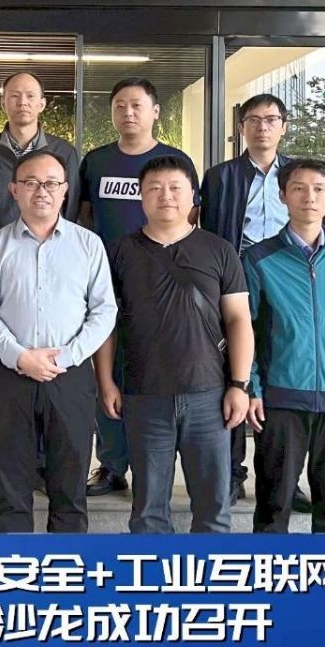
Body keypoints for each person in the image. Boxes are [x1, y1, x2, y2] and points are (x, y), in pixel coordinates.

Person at [100, 155, 253, 533]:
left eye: (175, 188)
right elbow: (105, 325)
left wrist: (239, 385)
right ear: (141, 197)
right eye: (154, 188)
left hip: (209, 395)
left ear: (192, 196)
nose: (165, 196)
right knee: (148, 511)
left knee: (213, 510)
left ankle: (209, 572)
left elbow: (238, 320)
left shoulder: (219, 250)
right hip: (144, 395)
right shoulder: (119, 252)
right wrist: (105, 382)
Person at [0, 149, 117, 533]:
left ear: (65, 190)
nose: (42, 191)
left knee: (69, 488)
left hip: (70, 377)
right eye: (31, 183)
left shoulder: (88, 245)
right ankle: (13, 565)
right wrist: (20, 356)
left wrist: (65, 357)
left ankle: (64, 567)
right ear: (14, 190)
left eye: (51, 183)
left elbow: (104, 312)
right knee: (11, 489)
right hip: (10, 376)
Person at [79, 76, 200, 497]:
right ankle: (112, 464)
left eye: (137, 105)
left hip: (165, 280)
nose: (128, 113)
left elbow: (191, 218)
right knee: (108, 368)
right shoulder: (96, 161)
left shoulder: (175, 160)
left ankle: (164, 462)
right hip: (109, 277)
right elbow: (84, 217)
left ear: (155, 112)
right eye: (120, 106)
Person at [0, 71, 80, 497]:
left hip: (52, 276)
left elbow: (71, 215)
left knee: (49, 374)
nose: (23, 102)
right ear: (3, 102)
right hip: (1, 276)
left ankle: (43, 465)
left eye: (31, 95)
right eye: (15, 95)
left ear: (43, 103)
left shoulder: (65, 153)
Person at [244, 159, 325, 533]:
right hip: (281, 399)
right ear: (283, 196)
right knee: (273, 505)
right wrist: (253, 389)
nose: (309, 197)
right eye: (298, 188)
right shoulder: (259, 259)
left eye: (319, 189)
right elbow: (246, 330)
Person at [198, 94, 301, 509]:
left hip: (286, 283)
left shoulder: (297, 175)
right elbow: (210, 234)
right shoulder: (220, 177)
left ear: (283, 126)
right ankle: (231, 473)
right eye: (253, 120)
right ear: (241, 128)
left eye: (271, 119)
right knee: (232, 375)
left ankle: (282, 480)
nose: (262, 127)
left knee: (279, 378)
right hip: (236, 283)